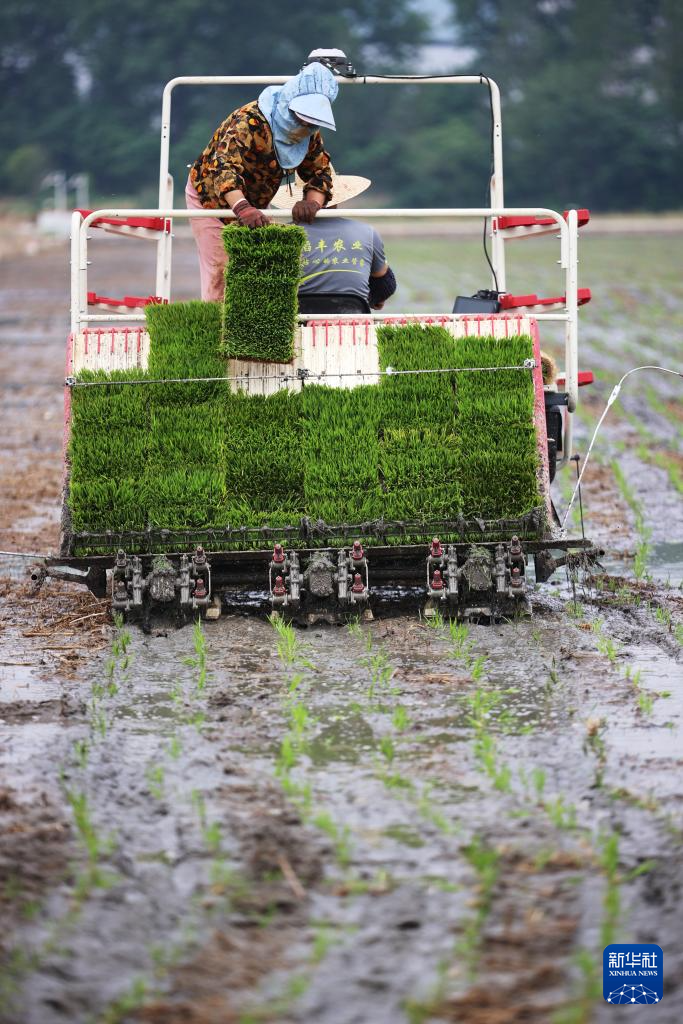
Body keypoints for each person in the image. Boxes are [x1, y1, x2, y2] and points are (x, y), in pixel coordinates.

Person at [186, 62, 338, 301]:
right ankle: (215, 331)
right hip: (212, 199)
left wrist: (313, 203)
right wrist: (242, 207)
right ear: (290, 105)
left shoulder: (310, 134)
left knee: (254, 272)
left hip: (255, 204)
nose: (304, 128)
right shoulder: (250, 121)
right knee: (221, 270)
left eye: (311, 123)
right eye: (302, 120)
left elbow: (321, 172)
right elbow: (224, 168)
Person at [271, 169, 397, 315]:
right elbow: (385, 286)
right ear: (335, 196)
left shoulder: (283, 233)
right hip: (354, 321)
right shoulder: (367, 232)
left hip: (299, 320)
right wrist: (375, 299)